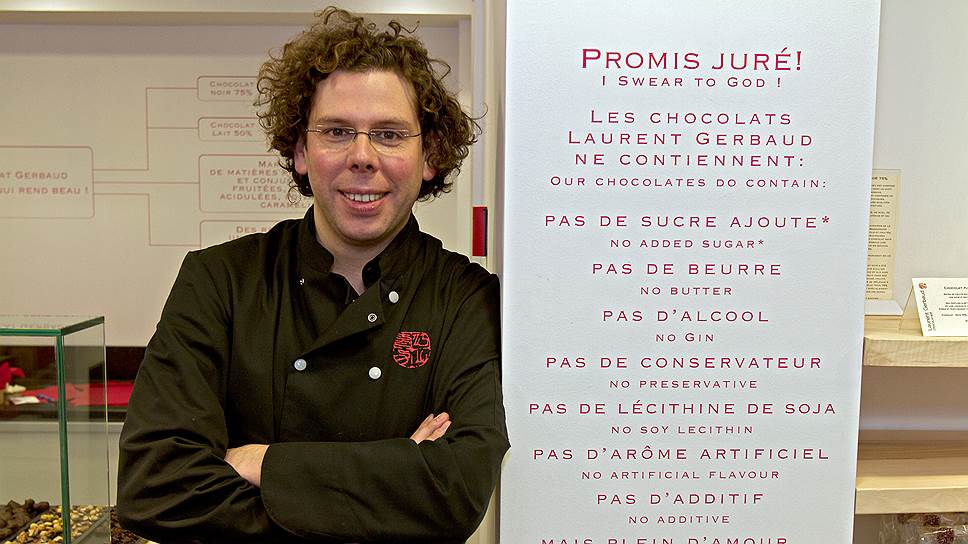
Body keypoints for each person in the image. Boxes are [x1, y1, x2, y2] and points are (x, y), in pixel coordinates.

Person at [117, 8, 508, 543]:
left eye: (390, 134)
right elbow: (153, 487)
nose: (362, 157)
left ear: (430, 156)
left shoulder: (468, 298)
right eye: (337, 131)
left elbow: (455, 492)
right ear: (301, 151)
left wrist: (262, 463)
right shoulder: (219, 282)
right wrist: (396, 478)